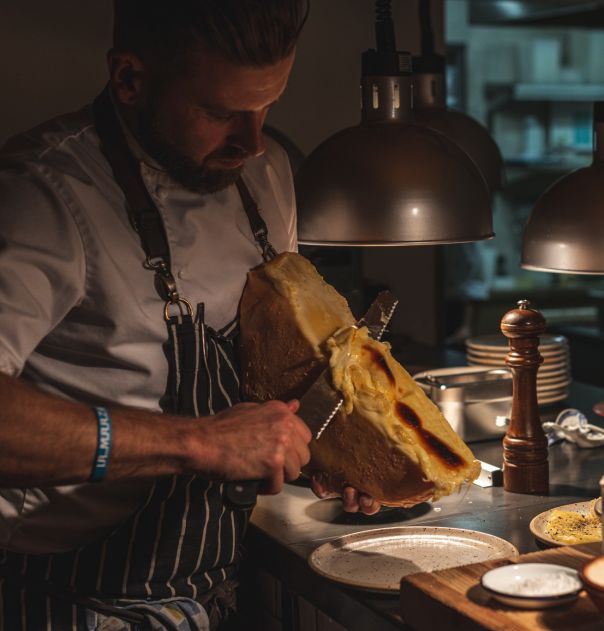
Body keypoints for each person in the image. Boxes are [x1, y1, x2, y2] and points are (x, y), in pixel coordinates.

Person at [0, 2, 377, 629]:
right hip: (67, 597)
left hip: (211, 582)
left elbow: (271, 356)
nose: (251, 141)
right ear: (129, 79)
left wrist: (330, 445)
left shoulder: (267, 171)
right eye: (219, 112)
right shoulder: (42, 194)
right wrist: (201, 442)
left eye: (266, 107)